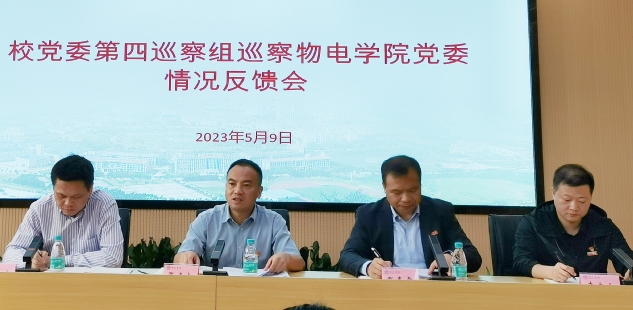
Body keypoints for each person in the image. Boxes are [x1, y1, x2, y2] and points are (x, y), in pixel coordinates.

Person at [339, 155, 482, 278]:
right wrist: (369, 267)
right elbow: (347, 256)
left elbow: (473, 255)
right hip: (387, 290)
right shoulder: (369, 214)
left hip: (433, 290)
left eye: (413, 190)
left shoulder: (440, 211)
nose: (406, 199)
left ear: (420, 184)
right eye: (397, 192)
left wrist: (451, 258)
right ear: (384, 187)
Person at [174, 159, 304, 273]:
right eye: (232, 184)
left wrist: (286, 259)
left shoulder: (274, 221)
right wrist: (186, 256)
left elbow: (298, 262)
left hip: (259, 289)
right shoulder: (206, 220)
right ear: (226, 187)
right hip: (216, 288)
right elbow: (179, 258)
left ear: (259, 192)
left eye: (246, 185)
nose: (237, 191)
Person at [513, 163, 633, 282]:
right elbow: (520, 262)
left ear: (590, 197)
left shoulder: (602, 226)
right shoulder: (534, 222)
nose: (574, 207)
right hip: (545, 292)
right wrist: (550, 272)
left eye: (582, 201)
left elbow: (627, 260)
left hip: (593, 293)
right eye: (567, 199)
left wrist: (630, 271)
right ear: (553, 193)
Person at [3, 154, 123, 268]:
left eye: (76, 197)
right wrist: (32, 261)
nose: (68, 203)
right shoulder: (39, 208)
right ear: (53, 188)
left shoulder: (104, 205)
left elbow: (113, 257)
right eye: (61, 196)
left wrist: (57, 260)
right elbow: (12, 252)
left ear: (90, 189)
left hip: (91, 280)